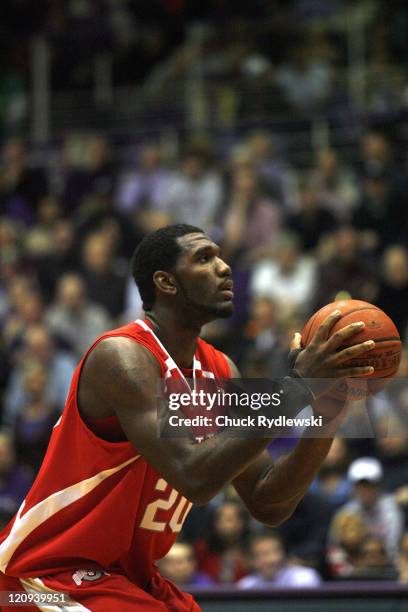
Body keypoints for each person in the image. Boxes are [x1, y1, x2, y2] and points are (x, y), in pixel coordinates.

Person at [0, 224, 375, 610]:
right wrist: (297, 387)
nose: (224, 267)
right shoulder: (122, 357)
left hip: (129, 577)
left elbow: (268, 502)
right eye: (204, 258)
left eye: (221, 255)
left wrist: (327, 412)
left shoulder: (221, 369)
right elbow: (194, 476)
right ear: (166, 282)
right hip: (45, 572)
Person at [237, 531, 321, 588]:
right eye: (265, 554)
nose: (274, 559)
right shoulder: (246, 586)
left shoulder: (304, 578)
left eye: (277, 551)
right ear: (252, 560)